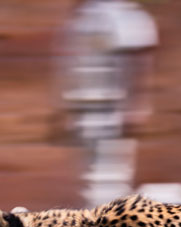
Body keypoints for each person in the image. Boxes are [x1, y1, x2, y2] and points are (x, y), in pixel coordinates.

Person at [58, 0, 158, 207]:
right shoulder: (84, 15)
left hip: (111, 109)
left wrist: (136, 104)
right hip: (84, 107)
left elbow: (138, 63)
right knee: (89, 178)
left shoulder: (123, 15)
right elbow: (72, 65)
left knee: (109, 177)